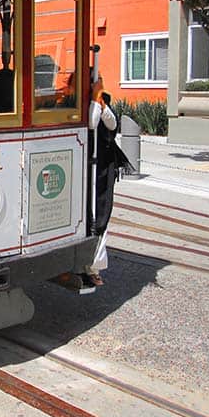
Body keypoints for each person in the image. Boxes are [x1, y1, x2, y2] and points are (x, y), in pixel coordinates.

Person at [84, 75, 119, 286]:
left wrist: (98, 100)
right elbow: (90, 122)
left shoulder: (102, 99)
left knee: (101, 214)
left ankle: (95, 264)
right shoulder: (73, 103)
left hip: (102, 166)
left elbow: (109, 123)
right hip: (85, 164)